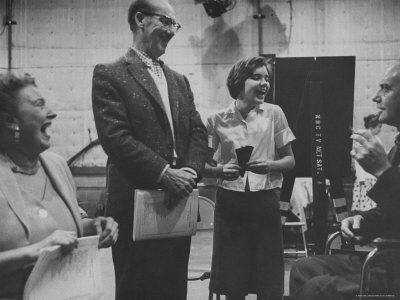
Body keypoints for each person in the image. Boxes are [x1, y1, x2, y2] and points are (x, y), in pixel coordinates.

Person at [91, 0, 208, 299]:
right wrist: (164, 173)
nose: (172, 30)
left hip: (177, 201)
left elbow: (197, 132)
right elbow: (115, 137)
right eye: (165, 22)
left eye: (175, 25)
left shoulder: (180, 81)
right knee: (137, 288)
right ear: (140, 19)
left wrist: (189, 173)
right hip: (134, 207)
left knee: (173, 288)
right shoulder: (110, 73)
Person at [0, 71, 119, 299]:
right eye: (38, 105)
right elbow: (43, 240)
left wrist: (93, 226)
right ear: (10, 121)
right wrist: (34, 252)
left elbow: (65, 227)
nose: (52, 113)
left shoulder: (57, 166)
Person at [289, 62, 400, 300]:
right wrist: (363, 221)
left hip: (394, 265)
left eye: (386, 89)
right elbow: (392, 212)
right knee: (303, 267)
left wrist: (382, 170)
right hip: (386, 257)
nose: (375, 96)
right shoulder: (397, 147)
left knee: (316, 289)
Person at [204, 56, 296, 300]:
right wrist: (219, 171)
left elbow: (290, 161)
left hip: (265, 201)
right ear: (238, 82)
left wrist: (270, 165)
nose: (264, 83)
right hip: (229, 204)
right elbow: (201, 165)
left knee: (268, 280)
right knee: (233, 280)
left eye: (266, 78)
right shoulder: (216, 119)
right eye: (257, 77)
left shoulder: (275, 113)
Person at [351, 114, 383, 213]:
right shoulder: (364, 138)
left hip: (372, 175)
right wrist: (361, 176)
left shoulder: (376, 139)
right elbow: (359, 157)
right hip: (365, 175)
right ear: (373, 126)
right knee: (364, 199)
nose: (380, 130)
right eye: (379, 127)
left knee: (371, 202)